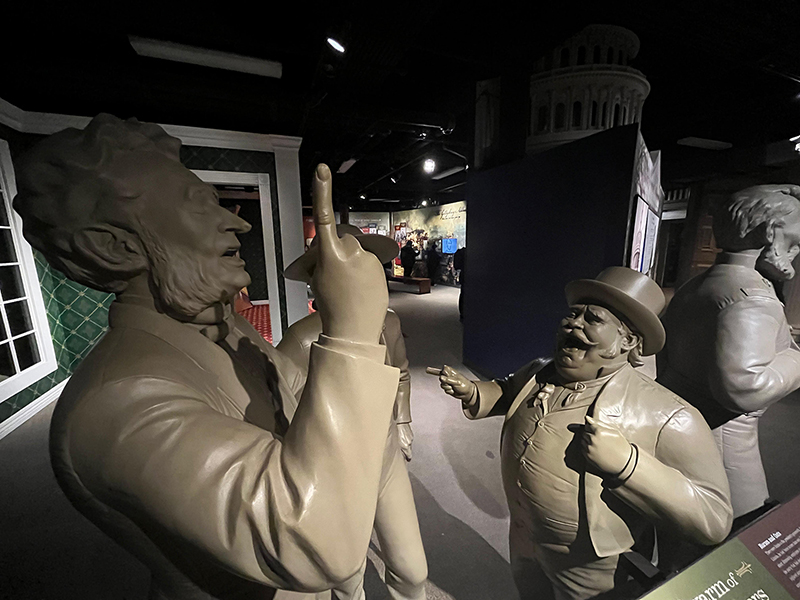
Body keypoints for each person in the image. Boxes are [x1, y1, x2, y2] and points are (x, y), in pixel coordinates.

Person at [14, 114, 401, 600]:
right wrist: (351, 333)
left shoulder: (227, 328)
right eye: (197, 205)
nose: (238, 222)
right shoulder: (116, 402)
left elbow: (298, 395)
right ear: (113, 246)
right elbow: (316, 545)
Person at [432, 267, 732, 600]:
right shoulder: (539, 370)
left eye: (593, 319)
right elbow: (508, 390)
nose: (573, 324)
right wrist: (474, 391)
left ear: (628, 341)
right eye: (573, 314)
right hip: (523, 536)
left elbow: (713, 517)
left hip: (590, 563)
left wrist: (628, 465)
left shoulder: (667, 415)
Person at [279, 223, 426, 600]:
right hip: (335, 464)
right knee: (347, 575)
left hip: (386, 453)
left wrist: (403, 419)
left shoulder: (389, 322)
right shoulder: (302, 339)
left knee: (412, 570)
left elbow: (402, 372)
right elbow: (282, 407)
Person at [657, 184, 800, 524]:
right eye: (794, 240)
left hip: (681, 429)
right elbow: (744, 387)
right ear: (770, 232)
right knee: (733, 535)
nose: (796, 250)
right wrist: (797, 358)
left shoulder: (696, 284)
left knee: (685, 527)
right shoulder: (751, 298)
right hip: (724, 445)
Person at [453, 246, 466, 321]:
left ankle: (462, 314)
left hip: (464, 276)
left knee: (463, 295)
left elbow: (457, 266)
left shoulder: (461, 252)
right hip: (474, 276)